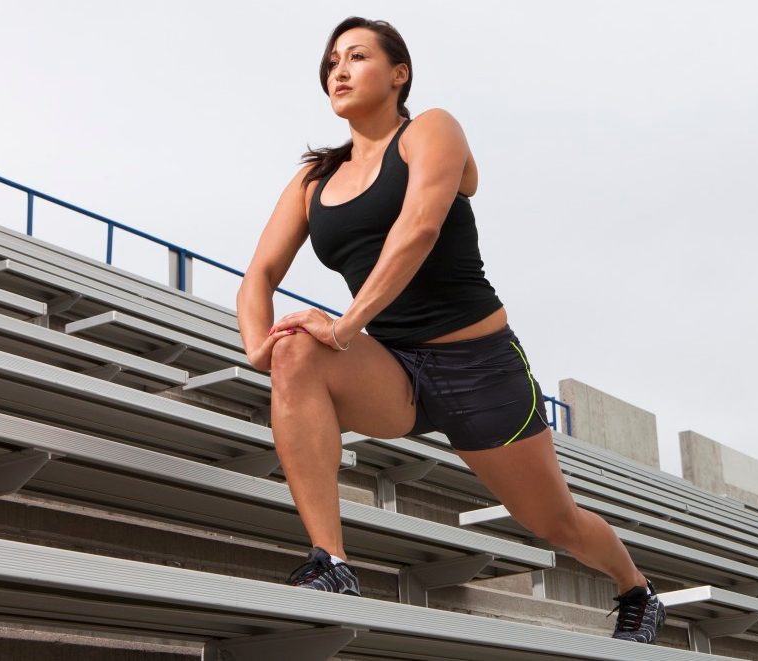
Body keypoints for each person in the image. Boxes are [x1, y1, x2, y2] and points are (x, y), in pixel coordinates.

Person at [234, 16, 664, 643]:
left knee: (553, 519)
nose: (340, 71)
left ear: (398, 73)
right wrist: (257, 347)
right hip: (394, 369)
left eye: (357, 56)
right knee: (294, 350)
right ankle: (332, 562)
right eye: (331, 63)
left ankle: (637, 591)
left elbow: (419, 230)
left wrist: (348, 324)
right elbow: (258, 277)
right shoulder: (312, 180)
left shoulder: (431, 129)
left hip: (478, 366)